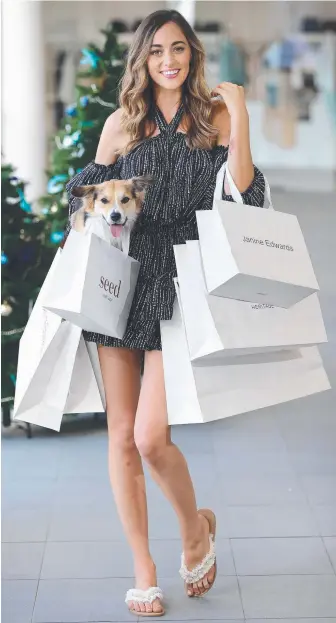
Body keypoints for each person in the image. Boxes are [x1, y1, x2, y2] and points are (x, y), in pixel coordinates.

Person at [65, 9, 267, 617]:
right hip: (119, 284)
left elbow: (248, 194)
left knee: (152, 437)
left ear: (193, 54)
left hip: (178, 282)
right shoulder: (121, 125)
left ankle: (194, 527)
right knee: (121, 438)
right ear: (143, 61)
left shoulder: (216, 118)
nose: (169, 61)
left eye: (178, 49)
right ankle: (144, 569)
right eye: (156, 52)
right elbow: (83, 197)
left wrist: (245, 117)